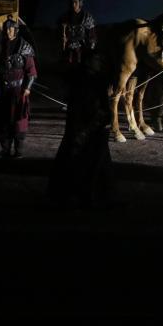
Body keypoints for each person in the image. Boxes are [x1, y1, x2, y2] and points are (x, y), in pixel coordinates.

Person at [48, 48, 120, 209]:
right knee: (78, 162)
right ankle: (74, 196)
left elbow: (102, 100)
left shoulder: (98, 78)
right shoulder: (80, 79)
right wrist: (83, 129)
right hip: (84, 127)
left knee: (101, 163)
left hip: (97, 126)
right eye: (96, 60)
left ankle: (104, 196)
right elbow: (80, 104)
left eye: (100, 60)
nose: (99, 63)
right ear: (88, 61)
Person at [0, 18, 37, 159]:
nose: (8, 32)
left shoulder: (24, 47)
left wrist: (27, 88)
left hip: (18, 91)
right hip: (2, 91)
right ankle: (5, 149)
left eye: (10, 29)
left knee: (18, 122)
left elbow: (31, 71)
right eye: (6, 29)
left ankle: (18, 151)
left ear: (16, 30)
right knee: (3, 121)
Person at [58, 0, 97, 66]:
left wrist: (91, 47)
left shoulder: (86, 17)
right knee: (68, 64)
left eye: (76, 2)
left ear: (80, 3)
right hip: (69, 46)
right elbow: (62, 30)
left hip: (81, 46)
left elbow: (92, 33)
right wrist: (63, 39)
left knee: (81, 64)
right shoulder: (66, 17)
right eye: (72, 2)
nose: (73, 5)